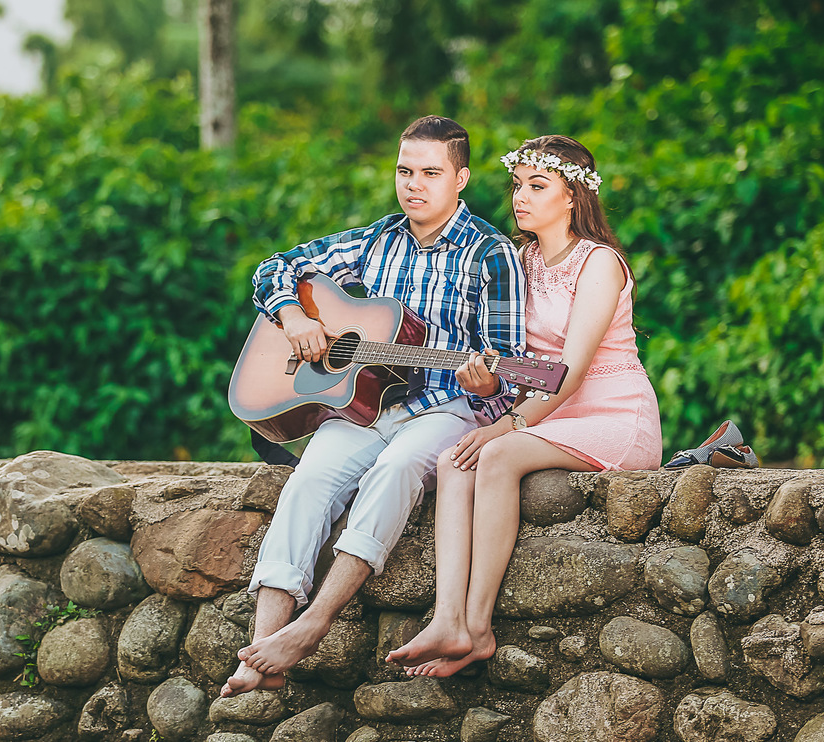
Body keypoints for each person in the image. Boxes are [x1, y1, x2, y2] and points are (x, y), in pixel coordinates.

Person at [221, 116, 526, 697]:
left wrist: (488, 381)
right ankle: (262, 650)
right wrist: (296, 316)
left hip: (449, 406)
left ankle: (313, 625)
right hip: (369, 406)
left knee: (397, 469)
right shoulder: (378, 240)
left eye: (431, 173)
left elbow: (509, 372)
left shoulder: (491, 254)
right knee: (307, 479)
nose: (414, 184)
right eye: (404, 171)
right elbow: (274, 268)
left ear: (460, 178)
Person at [386, 134, 662, 677]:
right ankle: (448, 619)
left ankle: (479, 627)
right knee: (451, 461)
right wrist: (487, 383)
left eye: (538, 186)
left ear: (574, 197)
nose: (521, 197)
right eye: (517, 185)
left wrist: (505, 427)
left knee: (495, 456)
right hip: (546, 408)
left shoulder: (599, 263)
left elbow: (570, 370)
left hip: (610, 412)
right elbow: (514, 359)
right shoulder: (519, 260)